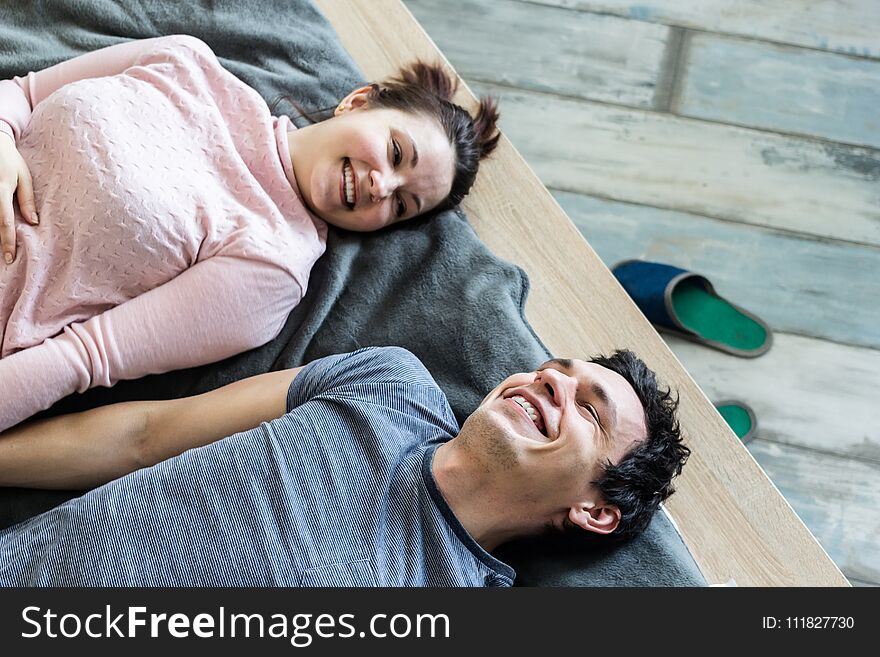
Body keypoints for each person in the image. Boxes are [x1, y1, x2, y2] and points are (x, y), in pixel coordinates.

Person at [0, 35, 500, 433]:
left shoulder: (271, 266)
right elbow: (22, 92)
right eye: (395, 153)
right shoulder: (185, 59)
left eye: (400, 204)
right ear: (358, 101)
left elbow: (80, 359)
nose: (380, 185)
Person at [0, 346, 688, 586]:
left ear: (598, 509)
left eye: (590, 411)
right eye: (553, 369)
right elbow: (144, 434)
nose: (549, 382)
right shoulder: (389, 384)